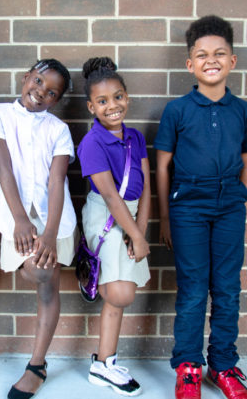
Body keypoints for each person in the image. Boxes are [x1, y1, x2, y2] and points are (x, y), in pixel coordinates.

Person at [153, 15, 247, 399]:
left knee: (228, 288)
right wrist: (166, 216)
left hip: (230, 206)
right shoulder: (178, 110)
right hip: (188, 209)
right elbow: (163, 164)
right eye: (201, 54)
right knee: (194, 289)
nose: (210, 60)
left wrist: (240, 196)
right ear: (190, 64)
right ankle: (188, 367)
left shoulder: (244, 110)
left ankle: (223, 365)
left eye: (219, 53)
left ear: (232, 61)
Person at [0, 59, 76, 399]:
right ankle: (37, 363)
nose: (41, 92)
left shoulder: (58, 129)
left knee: (48, 286)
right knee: (34, 272)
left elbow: (57, 180)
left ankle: (37, 365)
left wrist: (49, 233)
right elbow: (3, 168)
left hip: (55, 219)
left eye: (52, 92)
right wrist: (21, 220)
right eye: (37, 81)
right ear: (25, 77)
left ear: (57, 100)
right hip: (15, 216)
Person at [76, 57, 151, 397]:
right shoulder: (91, 143)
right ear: (91, 106)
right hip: (106, 215)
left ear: (127, 97)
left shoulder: (135, 137)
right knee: (120, 293)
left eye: (118, 97)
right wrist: (133, 234)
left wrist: (141, 231)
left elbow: (147, 187)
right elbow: (108, 195)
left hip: (133, 214)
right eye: (103, 101)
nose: (112, 106)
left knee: (117, 295)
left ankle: (104, 364)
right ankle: (104, 361)